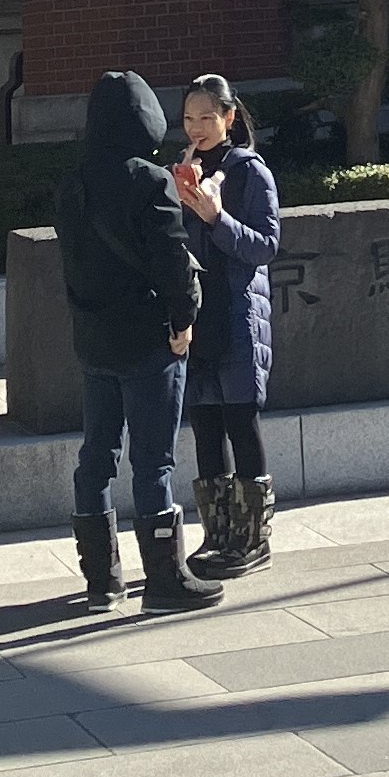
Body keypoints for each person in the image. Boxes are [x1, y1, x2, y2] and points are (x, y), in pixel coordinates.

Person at [53, 69, 215, 615]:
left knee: (95, 457)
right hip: (150, 341)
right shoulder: (150, 180)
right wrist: (183, 320)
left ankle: (101, 579)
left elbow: (72, 266)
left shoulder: (72, 182)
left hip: (93, 342)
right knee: (153, 461)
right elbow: (172, 261)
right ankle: (166, 578)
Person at [173, 72, 280, 581]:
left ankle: (253, 539)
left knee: (241, 420)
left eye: (207, 118)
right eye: (189, 118)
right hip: (195, 314)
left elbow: (265, 245)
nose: (197, 128)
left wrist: (217, 219)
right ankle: (217, 536)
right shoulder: (180, 171)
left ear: (230, 119)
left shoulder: (248, 172)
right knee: (205, 427)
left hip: (236, 313)